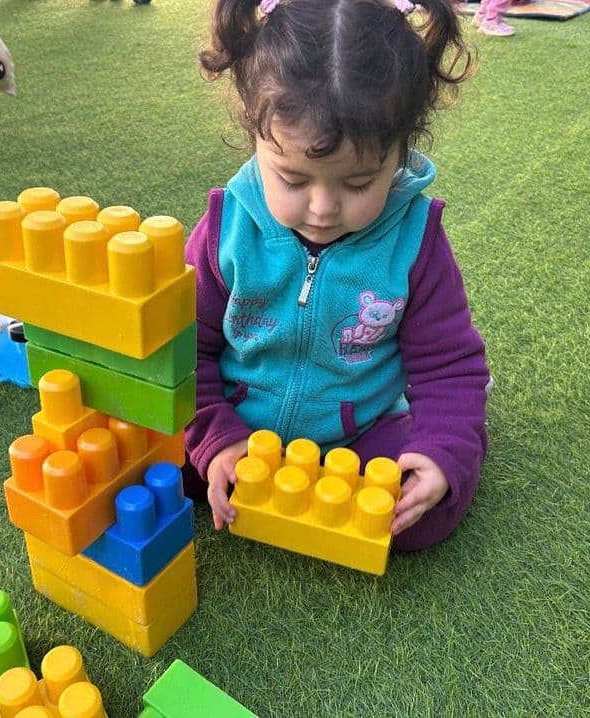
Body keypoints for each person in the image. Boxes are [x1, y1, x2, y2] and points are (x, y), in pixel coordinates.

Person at [184, 0, 490, 552]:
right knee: (157, 460)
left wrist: (440, 451)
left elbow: (450, 366)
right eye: (294, 179)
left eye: (357, 184)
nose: (323, 208)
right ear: (253, 130)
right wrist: (217, 439)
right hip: (241, 422)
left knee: (420, 509)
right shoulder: (225, 230)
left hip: (362, 433)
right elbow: (186, 355)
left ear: (401, 152)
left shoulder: (415, 242)